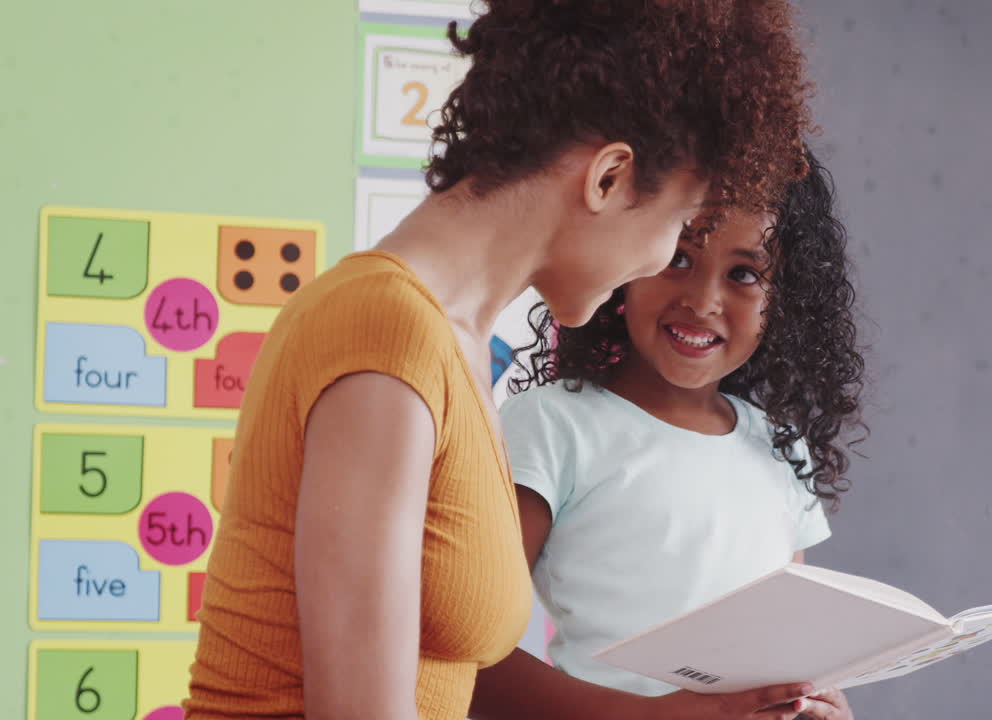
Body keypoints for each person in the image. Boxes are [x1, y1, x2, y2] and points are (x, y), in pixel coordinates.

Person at [182, 2, 816, 719]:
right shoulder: (387, 331)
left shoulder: (447, 343)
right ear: (608, 178)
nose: (660, 260)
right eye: (676, 229)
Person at [471, 147, 866, 720]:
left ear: (787, 303)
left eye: (744, 274)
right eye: (678, 257)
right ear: (629, 255)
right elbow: (472, 656)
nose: (702, 301)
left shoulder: (780, 448)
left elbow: (782, 658)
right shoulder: (554, 426)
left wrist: (819, 705)